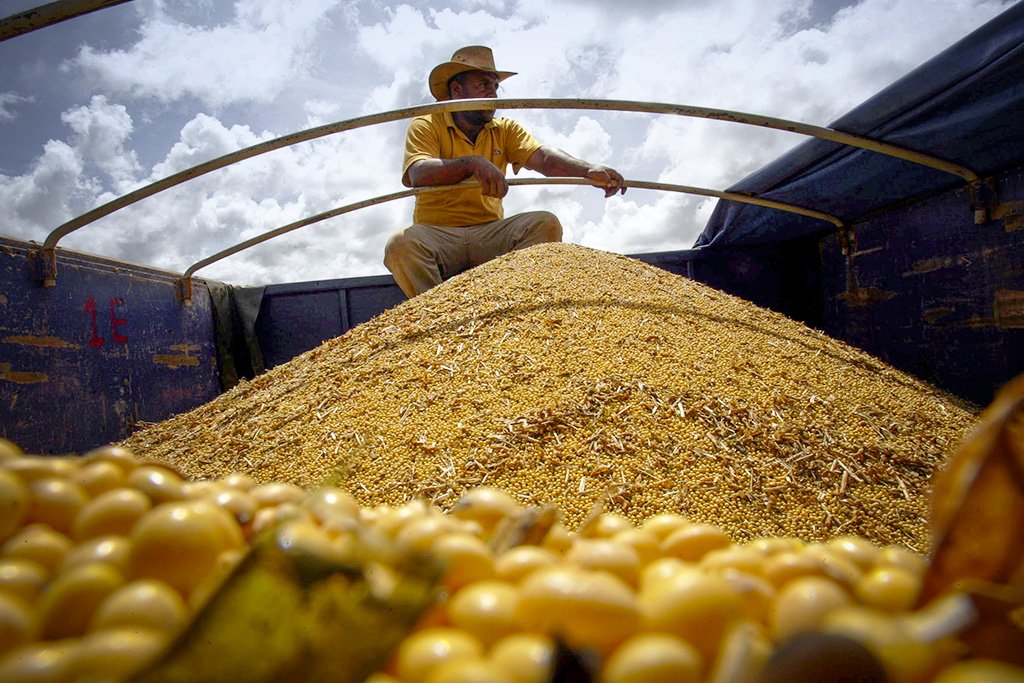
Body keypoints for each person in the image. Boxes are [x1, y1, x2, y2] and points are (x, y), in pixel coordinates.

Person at [383, 45, 627, 297]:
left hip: (489, 232)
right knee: (400, 244)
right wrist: (472, 163)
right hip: (439, 237)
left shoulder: (505, 129)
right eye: (483, 85)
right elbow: (418, 173)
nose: (493, 94)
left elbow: (543, 158)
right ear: (457, 90)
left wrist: (588, 170)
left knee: (545, 223)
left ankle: (511, 308)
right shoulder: (426, 124)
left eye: (495, 86)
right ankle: (437, 313)